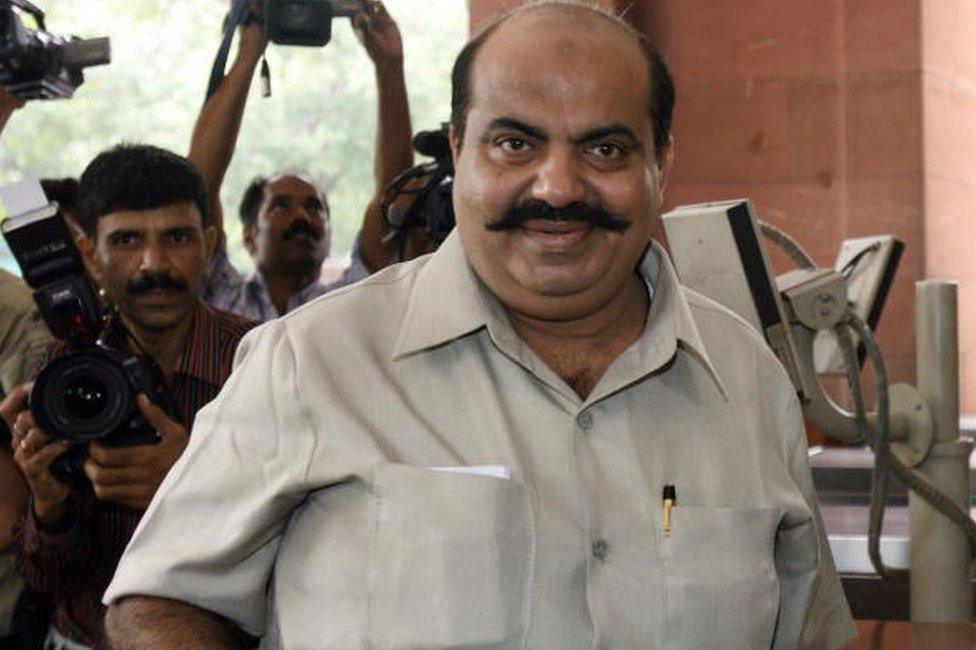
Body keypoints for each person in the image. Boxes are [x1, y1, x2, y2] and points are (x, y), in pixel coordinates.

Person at [104, 2, 855, 648]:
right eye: (515, 143)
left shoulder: (747, 378)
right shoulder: (312, 360)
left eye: (605, 147)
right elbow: (163, 599)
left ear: (661, 160)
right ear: (458, 150)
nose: (558, 186)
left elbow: (808, 628)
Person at [0, 144, 256, 649]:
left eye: (177, 237)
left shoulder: (261, 362)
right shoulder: (58, 372)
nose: (153, 264)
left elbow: (301, 547)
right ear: (91, 255)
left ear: (208, 243)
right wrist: (50, 506)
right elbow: (51, 579)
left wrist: (191, 481)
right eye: (127, 240)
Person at [195, 0, 413, 321]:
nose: (302, 216)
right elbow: (197, 188)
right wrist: (248, 51)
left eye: (315, 207)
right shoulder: (216, 300)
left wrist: (389, 66)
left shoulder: (348, 305)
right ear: (249, 236)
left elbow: (393, 197)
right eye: (281, 205)